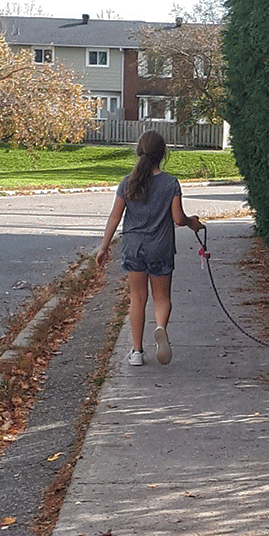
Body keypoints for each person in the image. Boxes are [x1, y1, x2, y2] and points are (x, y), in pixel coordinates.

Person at [96, 129, 205, 366]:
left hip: (133, 247)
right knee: (162, 297)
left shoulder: (128, 183)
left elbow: (115, 217)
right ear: (163, 154)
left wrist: (104, 247)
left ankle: (136, 352)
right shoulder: (171, 183)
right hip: (160, 247)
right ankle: (160, 328)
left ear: (139, 152)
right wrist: (192, 223)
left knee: (137, 298)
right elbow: (177, 219)